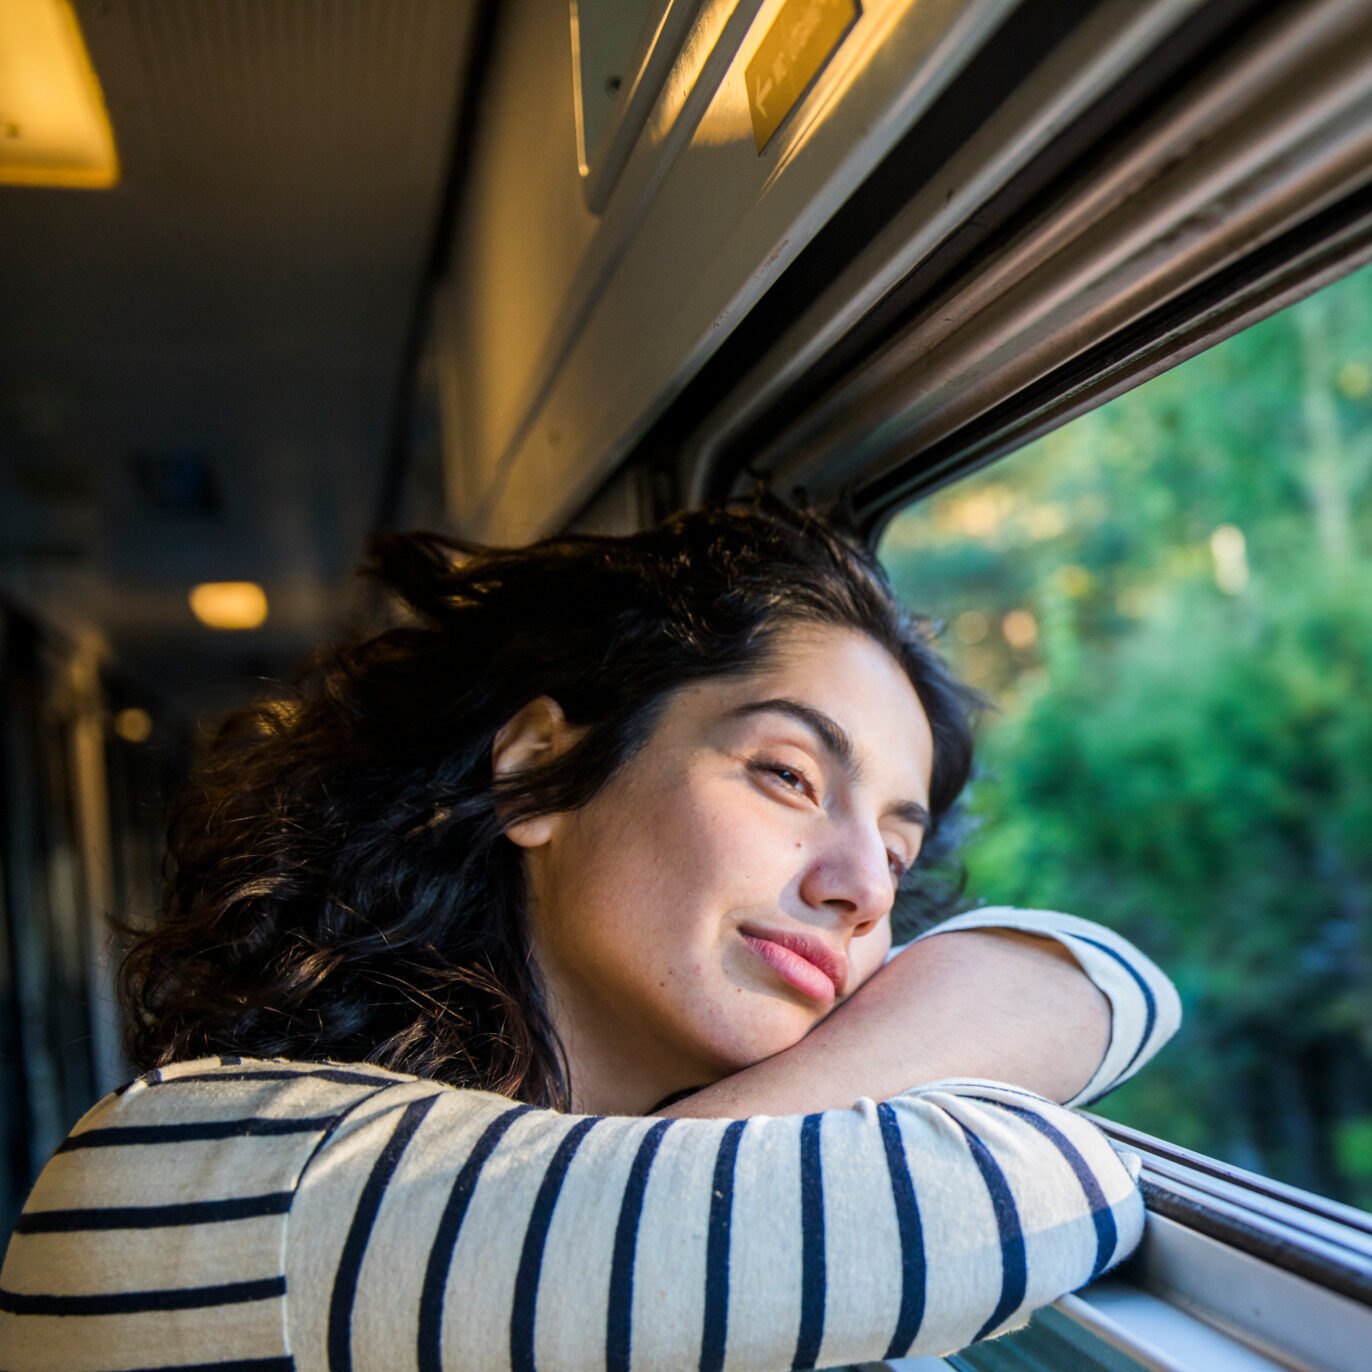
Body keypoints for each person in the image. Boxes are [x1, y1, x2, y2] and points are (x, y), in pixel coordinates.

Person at [0, 502, 1179, 1371]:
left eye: (898, 848)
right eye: (784, 773)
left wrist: (691, 1138)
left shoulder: (600, 1206)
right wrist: (715, 1140)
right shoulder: (226, 1173)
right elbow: (1038, 1184)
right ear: (537, 776)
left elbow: (1096, 982)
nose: (861, 886)